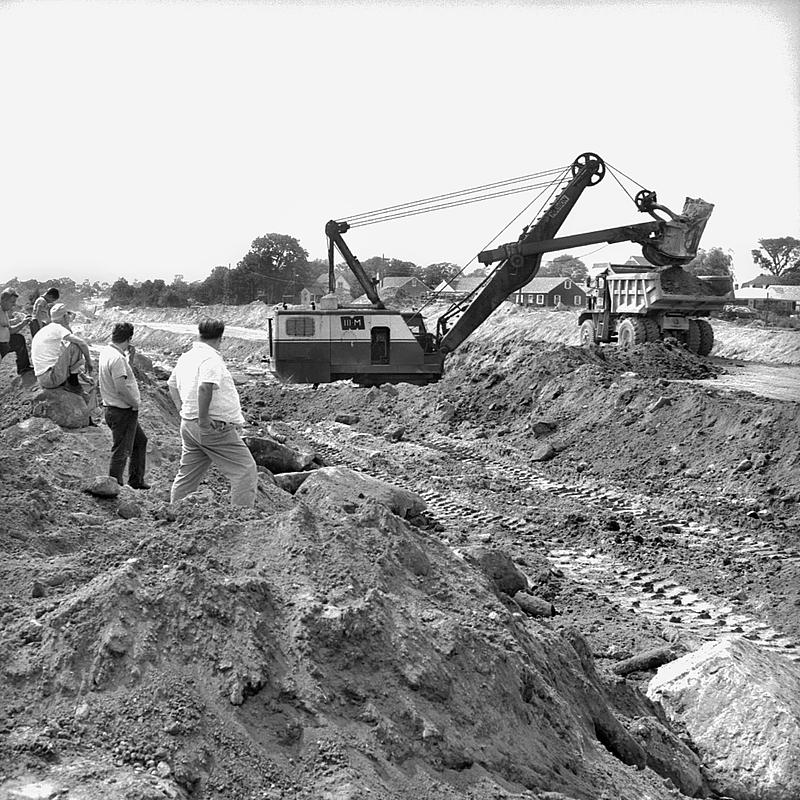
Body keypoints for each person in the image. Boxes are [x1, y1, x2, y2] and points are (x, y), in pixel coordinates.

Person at [167, 318, 257, 507]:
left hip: (189, 425)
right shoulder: (211, 358)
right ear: (220, 338)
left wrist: (182, 410)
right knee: (245, 470)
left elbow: (171, 385)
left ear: (199, 334)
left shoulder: (186, 357)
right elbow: (205, 387)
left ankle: (174, 512)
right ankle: (242, 518)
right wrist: (204, 418)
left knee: (188, 475)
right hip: (210, 428)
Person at [98, 322, 150, 489]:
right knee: (121, 451)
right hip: (122, 410)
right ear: (129, 338)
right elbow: (121, 387)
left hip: (113, 408)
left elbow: (121, 375)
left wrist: (130, 359)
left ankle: (136, 480)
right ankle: (115, 486)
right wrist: (134, 403)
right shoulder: (117, 359)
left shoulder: (108, 352)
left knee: (140, 441)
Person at [31, 302, 93, 392]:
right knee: (75, 345)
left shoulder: (47, 329)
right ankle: (73, 384)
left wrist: (83, 376)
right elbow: (82, 343)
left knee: (66, 347)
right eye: (67, 314)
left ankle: (73, 380)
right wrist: (89, 362)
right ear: (64, 316)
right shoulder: (58, 328)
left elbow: (67, 359)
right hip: (51, 378)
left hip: (43, 379)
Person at [0, 287, 34, 377]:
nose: (14, 305)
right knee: (18, 339)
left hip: (4, 342)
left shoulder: (3, 311)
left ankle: (23, 367)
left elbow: (5, 325)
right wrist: (23, 323)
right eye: (12, 302)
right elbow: (10, 330)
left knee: (18, 339)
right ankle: (23, 367)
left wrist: (17, 320)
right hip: (1, 344)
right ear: (4, 300)